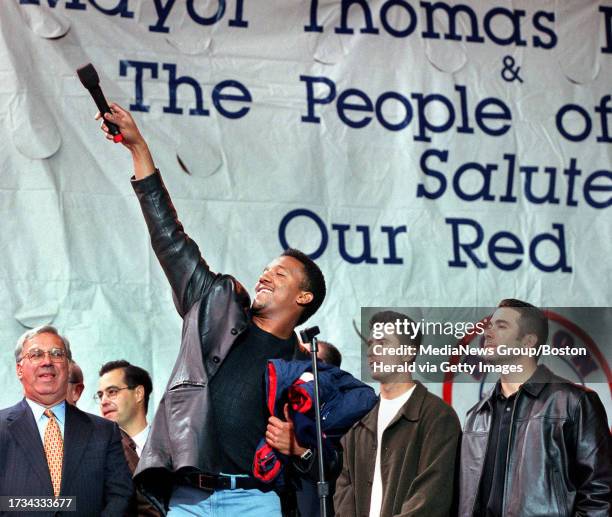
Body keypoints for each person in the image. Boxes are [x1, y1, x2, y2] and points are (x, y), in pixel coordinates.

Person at [97, 105, 327, 516]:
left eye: (280, 273)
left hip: (256, 501)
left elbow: (332, 460)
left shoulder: (305, 364)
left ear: (304, 297)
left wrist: (300, 448)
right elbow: (169, 238)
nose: (265, 276)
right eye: (265, 270)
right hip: (191, 497)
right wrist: (139, 150)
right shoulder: (216, 306)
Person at [459, 299, 612, 516]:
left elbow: (600, 496)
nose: (488, 333)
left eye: (501, 326)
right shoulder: (476, 415)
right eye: (489, 326)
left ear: (528, 341)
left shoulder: (574, 402)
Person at [334, 310, 462, 517]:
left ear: (407, 353)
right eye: (370, 344)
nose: (372, 351)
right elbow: (344, 490)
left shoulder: (437, 416)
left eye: (383, 343)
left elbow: (432, 496)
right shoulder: (360, 419)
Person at [0, 325, 133, 516]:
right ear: (19, 369)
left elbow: (121, 496)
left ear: (68, 366)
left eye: (56, 354)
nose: (47, 361)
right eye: (36, 354)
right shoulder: (2, 428)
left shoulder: (104, 431)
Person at [97, 360, 160, 516]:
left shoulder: (171, 446)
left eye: (112, 391)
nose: (104, 401)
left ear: (138, 393)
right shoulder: (97, 452)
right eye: (100, 395)